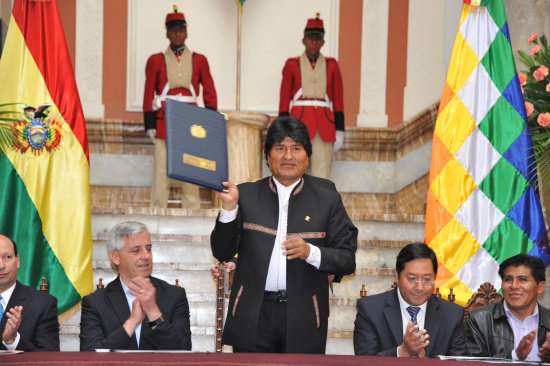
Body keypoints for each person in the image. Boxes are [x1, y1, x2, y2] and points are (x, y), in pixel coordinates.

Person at [211, 116, 357, 354]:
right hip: (253, 314)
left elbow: (347, 259)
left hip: (305, 315)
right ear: (268, 157)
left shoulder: (327, 198)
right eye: (280, 148)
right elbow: (222, 251)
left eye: (296, 148)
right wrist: (228, 211)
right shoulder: (245, 195)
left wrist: (311, 252)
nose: (288, 156)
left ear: (307, 157)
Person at [143, 6, 217, 208]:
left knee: (190, 166)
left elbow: (209, 91)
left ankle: (191, 209)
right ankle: (157, 208)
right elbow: (149, 91)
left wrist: (210, 120)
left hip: (190, 119)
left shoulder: (199, 60)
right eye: (173, 30)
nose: (177, 34)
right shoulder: (156, 60)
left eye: (181, 29)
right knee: (161, 167)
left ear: (186, 32)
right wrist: (149, 121)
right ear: (167, 33)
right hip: (164, 119)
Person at [79, 221, 191, 351]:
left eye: (148, 249)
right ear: (116, 258)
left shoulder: (174, 296)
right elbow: (90, 356)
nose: (146, 256)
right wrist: (131, 324)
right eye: (136, 251)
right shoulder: (95, 303)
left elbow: (184, 351)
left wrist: (153, 313)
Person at [353, 243, 467, 357]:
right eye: (412, 279)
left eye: (427, 279)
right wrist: (403, 352)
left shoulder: (453, 314)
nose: (419, 288)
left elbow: (458, 362)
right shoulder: (370, 310)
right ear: (397, 276)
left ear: (435, 278)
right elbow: (364, 359)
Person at [278, 13, 345, 180]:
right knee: (295, 171)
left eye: (317, 38)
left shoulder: (332, 65)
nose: (313, 42)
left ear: (323, 41)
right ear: (303, 40)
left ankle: (321, 207)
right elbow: (284, 97)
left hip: (324, 126)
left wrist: (340, 129)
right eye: (310, 38)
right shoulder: (292, 64)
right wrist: (283, 127)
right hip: (298, 125)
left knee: (322, 175)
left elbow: (338, 98)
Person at [465, 254, 550, 362]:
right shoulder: (479, 320)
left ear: (540, 287)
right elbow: (472, 364)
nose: (514, 286)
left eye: (522, 279)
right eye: (508, 279)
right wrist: (515, 356)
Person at [0, 234, 59, 351]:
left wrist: (12, 340)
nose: (1, 266)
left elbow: (49, 358)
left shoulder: (43, 304)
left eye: (7, 257)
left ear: (17, 261)